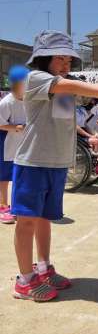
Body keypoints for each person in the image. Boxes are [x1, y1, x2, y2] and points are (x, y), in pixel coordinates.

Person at [11, 30, 98, 302]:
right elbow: (75, 87)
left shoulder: (66, 86)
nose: (66, 64)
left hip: (57, 163)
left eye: (69, 60)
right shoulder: (36, 78)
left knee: (45, 218)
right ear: (43, 58)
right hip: (33, 162)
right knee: (26, 221)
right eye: (60, 58)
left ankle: (43, 268)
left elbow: (78, 105)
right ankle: (24, 280)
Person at [0, 65, 28, 224]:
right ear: (16, 84)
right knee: (4, 177)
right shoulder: (6, 102)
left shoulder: (28, 100)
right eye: (25, 83)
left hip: (21, 143)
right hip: (5, 143)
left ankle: (16, 206)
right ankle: (3, 206)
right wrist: (16, 127)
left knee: (19, 175)